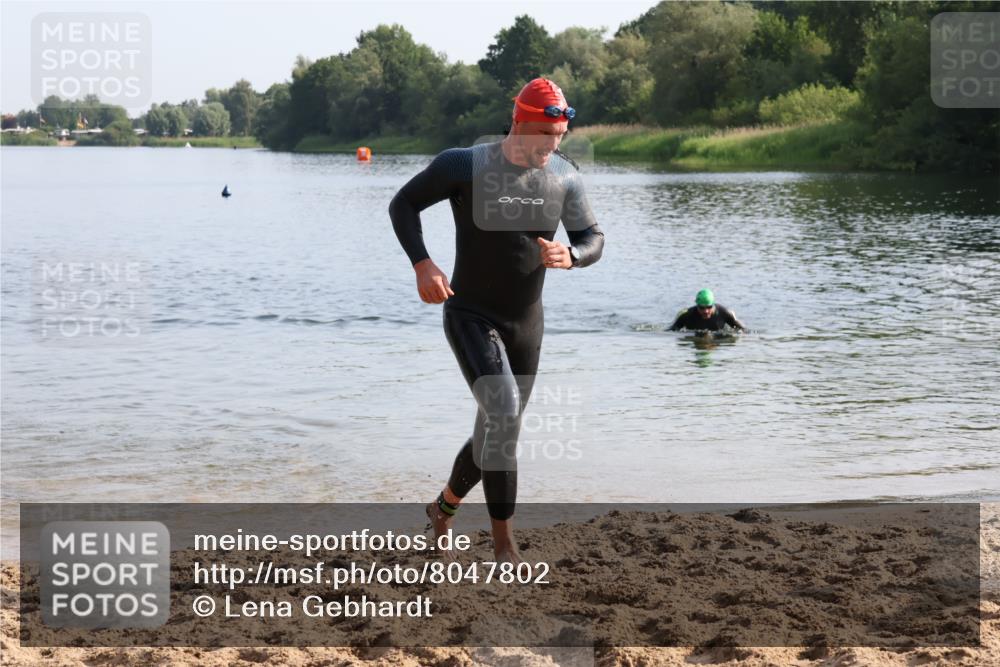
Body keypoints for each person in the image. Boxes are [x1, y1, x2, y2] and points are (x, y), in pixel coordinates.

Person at [389, 78, 604, 562]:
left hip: (526, 323)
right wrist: (423, 263)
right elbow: (403, 204)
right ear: (517, 123)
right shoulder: (463, 165)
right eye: (542, 136)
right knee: (502, 413)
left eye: (559, 138)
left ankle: (442, 508)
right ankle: (505, 546)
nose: (551, 147)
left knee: (497, 427)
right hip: (470, 313)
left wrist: (573, 254)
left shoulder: (564, 177)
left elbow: (593, 236)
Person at [670, 289, 747, 333]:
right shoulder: (686, 315)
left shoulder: (725, 313)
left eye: (709, 307)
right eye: (702, 308)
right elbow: (670, 332)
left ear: (713, 304)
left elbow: (743, 331)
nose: (706, 311)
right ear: (697, 305)